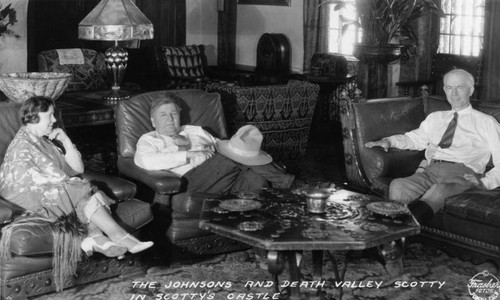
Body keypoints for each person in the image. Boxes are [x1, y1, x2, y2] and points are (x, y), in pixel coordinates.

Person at [0, 96, 153, 290]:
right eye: (50, 116)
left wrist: (65, 140)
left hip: (46, 189)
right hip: (22, 197)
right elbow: (25, 177)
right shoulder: (23, 144)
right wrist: (72, 184)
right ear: (33, 118)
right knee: (83, 189)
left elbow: (77, 167)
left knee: (82, 188)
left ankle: (96, 240)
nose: (54, 120)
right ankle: (119, 236)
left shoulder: (45, 142)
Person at [365, 69, 500, 222]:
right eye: (449, 88)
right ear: (444, 90)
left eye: (460, 87)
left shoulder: (487, 122)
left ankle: (400, 231)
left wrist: (484, 183)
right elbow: (414, 139)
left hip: (463, 176)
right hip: (430, 172)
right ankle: (392, 237)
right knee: (399, 185)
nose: (454, 93)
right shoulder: (435, 118)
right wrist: (389, 141)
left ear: (471, 90)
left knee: (439, 190)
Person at [134, 94, 295, 195]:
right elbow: (146, 161)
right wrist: (189, 154)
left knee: (256, 179)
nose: (170, 119)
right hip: (190, 180)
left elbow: (221, 145)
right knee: (233, 155)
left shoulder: (194, 131)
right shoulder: (149, 140)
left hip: (222, 179)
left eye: (173, 114)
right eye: (163, 115)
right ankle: (290, 184)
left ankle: (245, 229)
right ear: (153, 121)